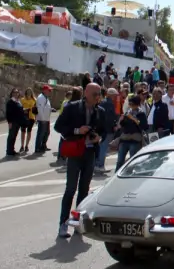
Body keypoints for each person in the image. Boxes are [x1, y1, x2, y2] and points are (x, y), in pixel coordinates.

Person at [54, 83, 105, 239]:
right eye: (95, 94)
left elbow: (103, 129)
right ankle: (63, 224)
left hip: (90, 152)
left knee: (84, 190)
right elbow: (58, 126)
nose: (98, 97)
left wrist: (99, 137)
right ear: (87, 93)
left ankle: (78, 222)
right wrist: (77, 130)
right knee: (70, 189)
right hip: (75, 152)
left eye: (99, 94)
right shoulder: (72, 107)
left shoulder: (100, 111)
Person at [115, 95, 148, 170]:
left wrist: (133, 118)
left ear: (137, 104)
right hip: (124, 139)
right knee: (120, 161)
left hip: (135, 140)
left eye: (132, 104)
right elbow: (122, 125)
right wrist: (122, 120)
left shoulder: (141, 113)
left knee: (133, 161)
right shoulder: (127, 112)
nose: (131, 106)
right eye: (130, 104)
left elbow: (144, 126)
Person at [5, 88, 25, 157]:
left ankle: (12, 149)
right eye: (14, 92)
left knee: (14, 136)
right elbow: (8, 113)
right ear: (12, 93)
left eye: (17, 92)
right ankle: (9, 151)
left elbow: (20, 110)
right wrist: (9, 122)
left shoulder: (18, 101)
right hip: (13, 122)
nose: (16, 93)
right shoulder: (10, 102)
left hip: (18, 121)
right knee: (11, 136)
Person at [34, 85, 53, 154]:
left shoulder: (46, 97)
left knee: (46, 133)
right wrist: (42, 119)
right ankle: (38, 148)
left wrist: (51, 109)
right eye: (48, 90)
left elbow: (46, 107)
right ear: (44, 90)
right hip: (43, 119)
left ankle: (43, 146)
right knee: (40, 134)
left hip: (46, 119)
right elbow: (40, 109)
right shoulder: (41, 98)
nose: (50, 91)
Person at [19, 88, 36, 154]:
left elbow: (35, 110)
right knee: (23, 132)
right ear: (26, 93)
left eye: (30, 92)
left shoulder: (34, 100)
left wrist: (36, 118)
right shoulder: (22, 100)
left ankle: (26, 146)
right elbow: (20, 108)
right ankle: (22, 146)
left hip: (31, 117)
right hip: (24, 117)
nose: (29, 93)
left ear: (31, 93)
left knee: (29, 131)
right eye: (28, 92)